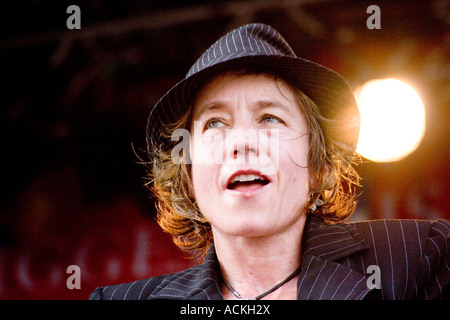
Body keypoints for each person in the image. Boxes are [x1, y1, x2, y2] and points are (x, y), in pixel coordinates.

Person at [90, 23, 449, 300]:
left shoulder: (421, 259)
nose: (243, 141)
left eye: (270, 119)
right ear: (188, 176)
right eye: (215, 123)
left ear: (319, 166)